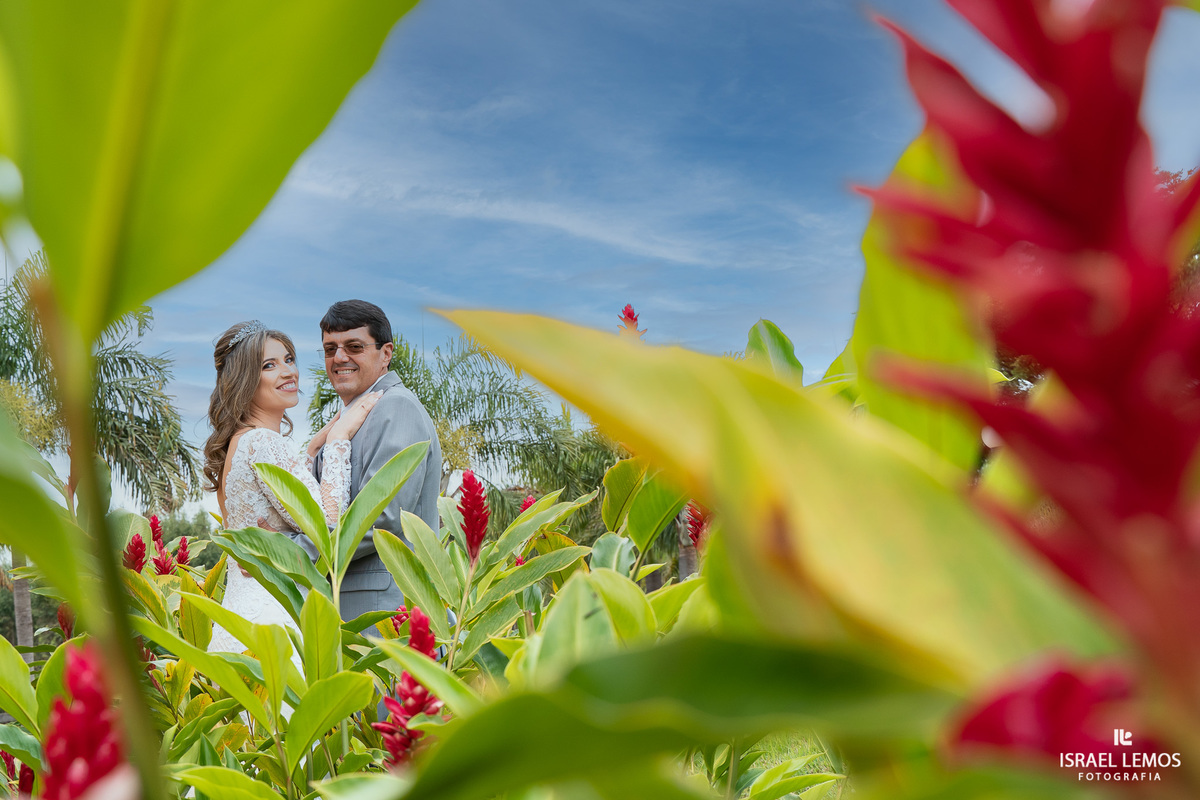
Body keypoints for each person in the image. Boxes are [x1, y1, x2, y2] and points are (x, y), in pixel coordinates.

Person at [201, 320, 380, 653]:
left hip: (238, 620)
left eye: (289, 359)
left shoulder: (240, 444)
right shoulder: (265, 443)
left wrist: (311, 451)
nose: (288, 372)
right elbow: (329, 525)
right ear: (245, 380)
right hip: (274, 621)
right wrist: (339, 440)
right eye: (269, 365)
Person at [312, 300, 442, 621]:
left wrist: (299, 553)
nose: (339, 357)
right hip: (346, 605)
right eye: (330, 349)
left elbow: (382, 518)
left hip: (381, 610)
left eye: (354, 346)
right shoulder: (349, 418)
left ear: (385, 353)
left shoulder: (396, 407)